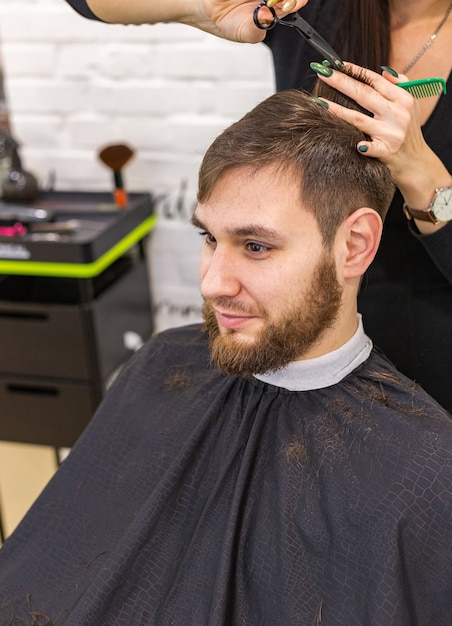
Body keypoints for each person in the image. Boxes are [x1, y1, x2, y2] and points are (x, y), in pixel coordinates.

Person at [1, 88, 452, 625]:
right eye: (209, 238)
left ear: (353, 246)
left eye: (256, 246)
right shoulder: (164, 364)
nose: (214, 283)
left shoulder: (420, 464)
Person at [62, 0, 452, 415]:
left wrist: (422, 173)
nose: (212, 286)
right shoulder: (317, 8)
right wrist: (198, 9)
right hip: (297, 320)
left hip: (427, 324)